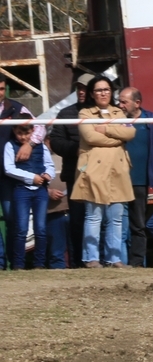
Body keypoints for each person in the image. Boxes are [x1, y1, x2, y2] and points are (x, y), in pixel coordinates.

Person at [72, 76, 135, 267]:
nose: (103, 93)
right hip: (94, 169)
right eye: (99, 90)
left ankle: (114, 258)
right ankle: (91, 258)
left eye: (106, 89)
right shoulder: (85, 113)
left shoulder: (119, 112)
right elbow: (91, 137)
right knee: (94, 216)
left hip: (118, 169)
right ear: (92, 94)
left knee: (116, 218)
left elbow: (130, 133)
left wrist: (105, 129)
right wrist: (117, 136)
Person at [117, 87, 153, 267]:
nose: (120, 105)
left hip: (140, 182)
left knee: (138, 224)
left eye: (124, 102)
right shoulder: (116, 120)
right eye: (119, 101)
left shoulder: (151, 121)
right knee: (117, 225)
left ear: (137, 103)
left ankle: (137, 263)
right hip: (117, 181)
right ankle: (116, 262)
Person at [0, 76, 48, 264]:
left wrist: (30, 144)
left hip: (8, 174)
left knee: (12, 219)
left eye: (1, 89)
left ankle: (14, 262)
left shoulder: (16, 108)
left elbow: (40, 127)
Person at [48, 71, 94, 266]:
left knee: (100, 220)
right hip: (75, 176)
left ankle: (100, 259)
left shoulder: (104, 112)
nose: (81, 92)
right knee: (78, 221)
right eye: (78, 88)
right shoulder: (66, 114)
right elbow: (56, 141)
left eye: (85, 88)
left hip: (100, 176)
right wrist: (75, 149)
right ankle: (78, 263)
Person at [3, 119, 54, 270]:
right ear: (14, 131)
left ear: (32, 131)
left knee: (41, 228)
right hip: (21, 189)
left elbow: (49, 165)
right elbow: (9, 168)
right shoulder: (10, 145)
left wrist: (48, 174)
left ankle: (39, 263)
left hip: (40, 190)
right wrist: (32, 177)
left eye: (27, 133)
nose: (23, 137)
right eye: (19, 133)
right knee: (21, 228)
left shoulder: (41, 146)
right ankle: (18, 263)